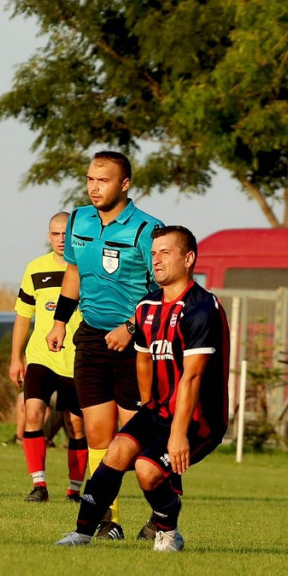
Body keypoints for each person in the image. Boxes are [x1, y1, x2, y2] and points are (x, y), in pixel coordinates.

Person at [56, 225, 230, 550]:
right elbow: (144, 360)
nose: (156, 260)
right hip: (159, 410)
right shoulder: (146, 306)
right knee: (116, 452)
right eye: (153, 254)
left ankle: (168, 531)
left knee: (147, 469)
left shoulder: (202, 309)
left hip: (198, 420)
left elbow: (192, 378)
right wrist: (147, 408)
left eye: (165, 252)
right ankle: (82, 533)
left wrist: (177, 435)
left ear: (188, 259)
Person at [45, 151, 163, 538]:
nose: (94, 187)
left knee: (137, 439)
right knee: (98, 436)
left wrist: (130, 327)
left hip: (137, 344)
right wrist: (60, 322)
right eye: (90, 179)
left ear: (125, 184)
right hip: (92, 337)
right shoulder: (78, 219)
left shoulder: (147, 229)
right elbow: (74, 272)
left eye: (104, 180)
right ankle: (107, 520)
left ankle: (162, 516)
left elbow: (164, 290)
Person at [9, 212, 87, 502]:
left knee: (76, 424)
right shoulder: (35, 268)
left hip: (77, 359)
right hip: (41, 357)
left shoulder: (86, 269)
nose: (61, 239)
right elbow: (23, 316)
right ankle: (39, 485)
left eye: (67, 233)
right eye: (56, 234)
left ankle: (74, 490)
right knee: (32, 413)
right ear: (48, 236)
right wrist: (16, 357)